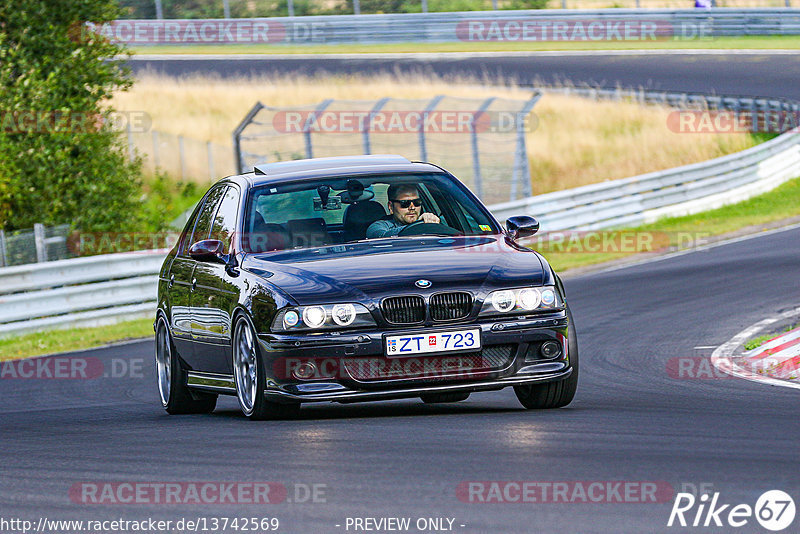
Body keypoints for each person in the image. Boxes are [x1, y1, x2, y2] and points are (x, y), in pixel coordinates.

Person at [366, 183, 441, 238]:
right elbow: (381, 236)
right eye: (404, 203)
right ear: (391, 207)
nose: (412, 207)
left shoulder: (429, 221)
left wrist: (432, 223)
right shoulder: (379, 226)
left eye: (416, 202)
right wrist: (421, 226)